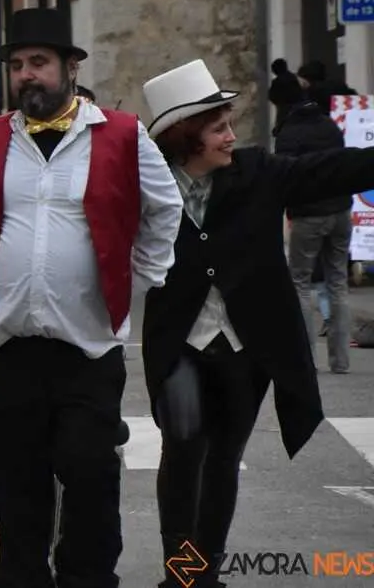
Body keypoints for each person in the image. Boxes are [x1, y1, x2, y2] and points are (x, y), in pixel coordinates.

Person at [0, 7, 185, 588]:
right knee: (16, 479)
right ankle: (21, 576)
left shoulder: (123, 134)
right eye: (18, 65)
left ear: (71, 68)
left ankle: (88, 577)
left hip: (87, 349)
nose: (27, 75)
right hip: (8, 347)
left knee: (89, 472)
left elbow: (164, 208)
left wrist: (141, 278)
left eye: (39, 63)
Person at [139, 59, 374, 587]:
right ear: (186, 135)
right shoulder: (149, 185)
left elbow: (335, 169)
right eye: (218, 126)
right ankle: (182, 575)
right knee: (183, 453)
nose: (231, 135)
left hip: (249, 349)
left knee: (223, 461)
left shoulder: (259, 172)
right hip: (181, 345)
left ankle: (206, 576)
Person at [273, 75, 353, 373]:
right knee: (338, 282)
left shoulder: (288, 134)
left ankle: (306, 358)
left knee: (300, 284)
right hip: (341, 210)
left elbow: (283, 178)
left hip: (308, 214)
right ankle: (341, 361)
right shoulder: (330, 125)